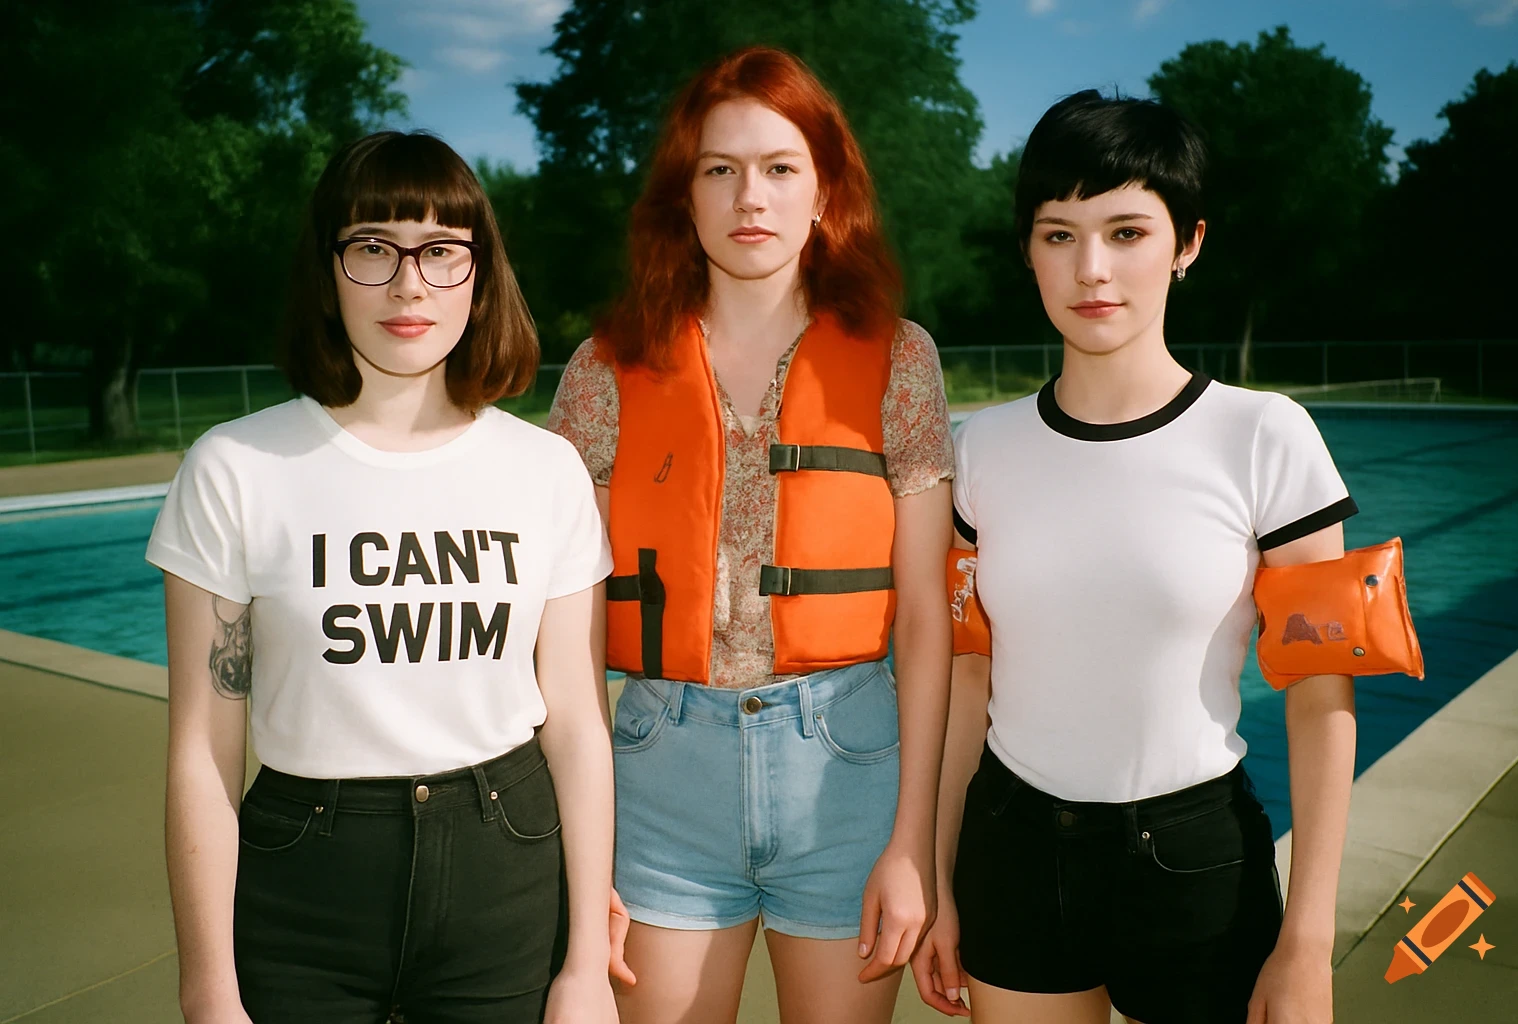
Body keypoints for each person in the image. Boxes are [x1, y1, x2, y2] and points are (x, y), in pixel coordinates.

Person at [152, 131, 619, 1024]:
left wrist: (586, 967)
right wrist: (209, 987)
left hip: (506, 864)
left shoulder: (544, 468)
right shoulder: (236, 467)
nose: (409, 283)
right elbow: (201, 753)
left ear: (480, 273)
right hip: (304, 878)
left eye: (441, 251)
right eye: (373, 248)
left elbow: (576, 729)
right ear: (327, 269)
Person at [912, 91, 1359, 1024]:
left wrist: (1308, 940)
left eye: (1125, 231)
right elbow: (966, 677)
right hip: (1013, 850)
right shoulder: (981, 450)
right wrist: (940, 877)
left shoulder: (1266, 436)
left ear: (1187, 243)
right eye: (1058, 234)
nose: (1092, 269)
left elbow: (1321, 696)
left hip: (1198, 864)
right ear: (1027, 248)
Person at [547, 46, 955, 1024]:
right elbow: (558, 642)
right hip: (658, 774)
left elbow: (929, 624)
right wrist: (585, 851)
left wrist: (914, 845)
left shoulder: (902, 360)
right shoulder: (604, 371)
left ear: (826, 192)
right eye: (719, 170)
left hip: (851, 771)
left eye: (779, 168)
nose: (749, 197)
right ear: (682, 197)